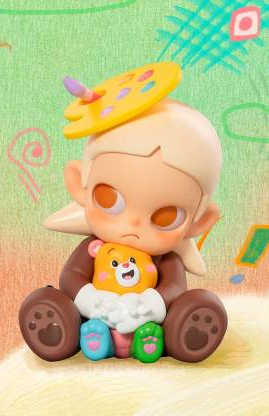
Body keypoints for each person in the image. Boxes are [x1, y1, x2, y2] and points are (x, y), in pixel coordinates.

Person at [19, 98, 228, 363]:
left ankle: (167, 337)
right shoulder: (93, 249)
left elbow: (174, 287)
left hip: (148, 320)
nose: (133, 223)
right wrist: (92, 300)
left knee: (187, 306)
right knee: (54, 301)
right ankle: (73, 333)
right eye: (110, 200)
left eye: (166, 217)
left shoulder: (165, 259)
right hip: (94, 315)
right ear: (79, 186)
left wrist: (147, 306)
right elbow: (72, 276)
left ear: (200, 222)